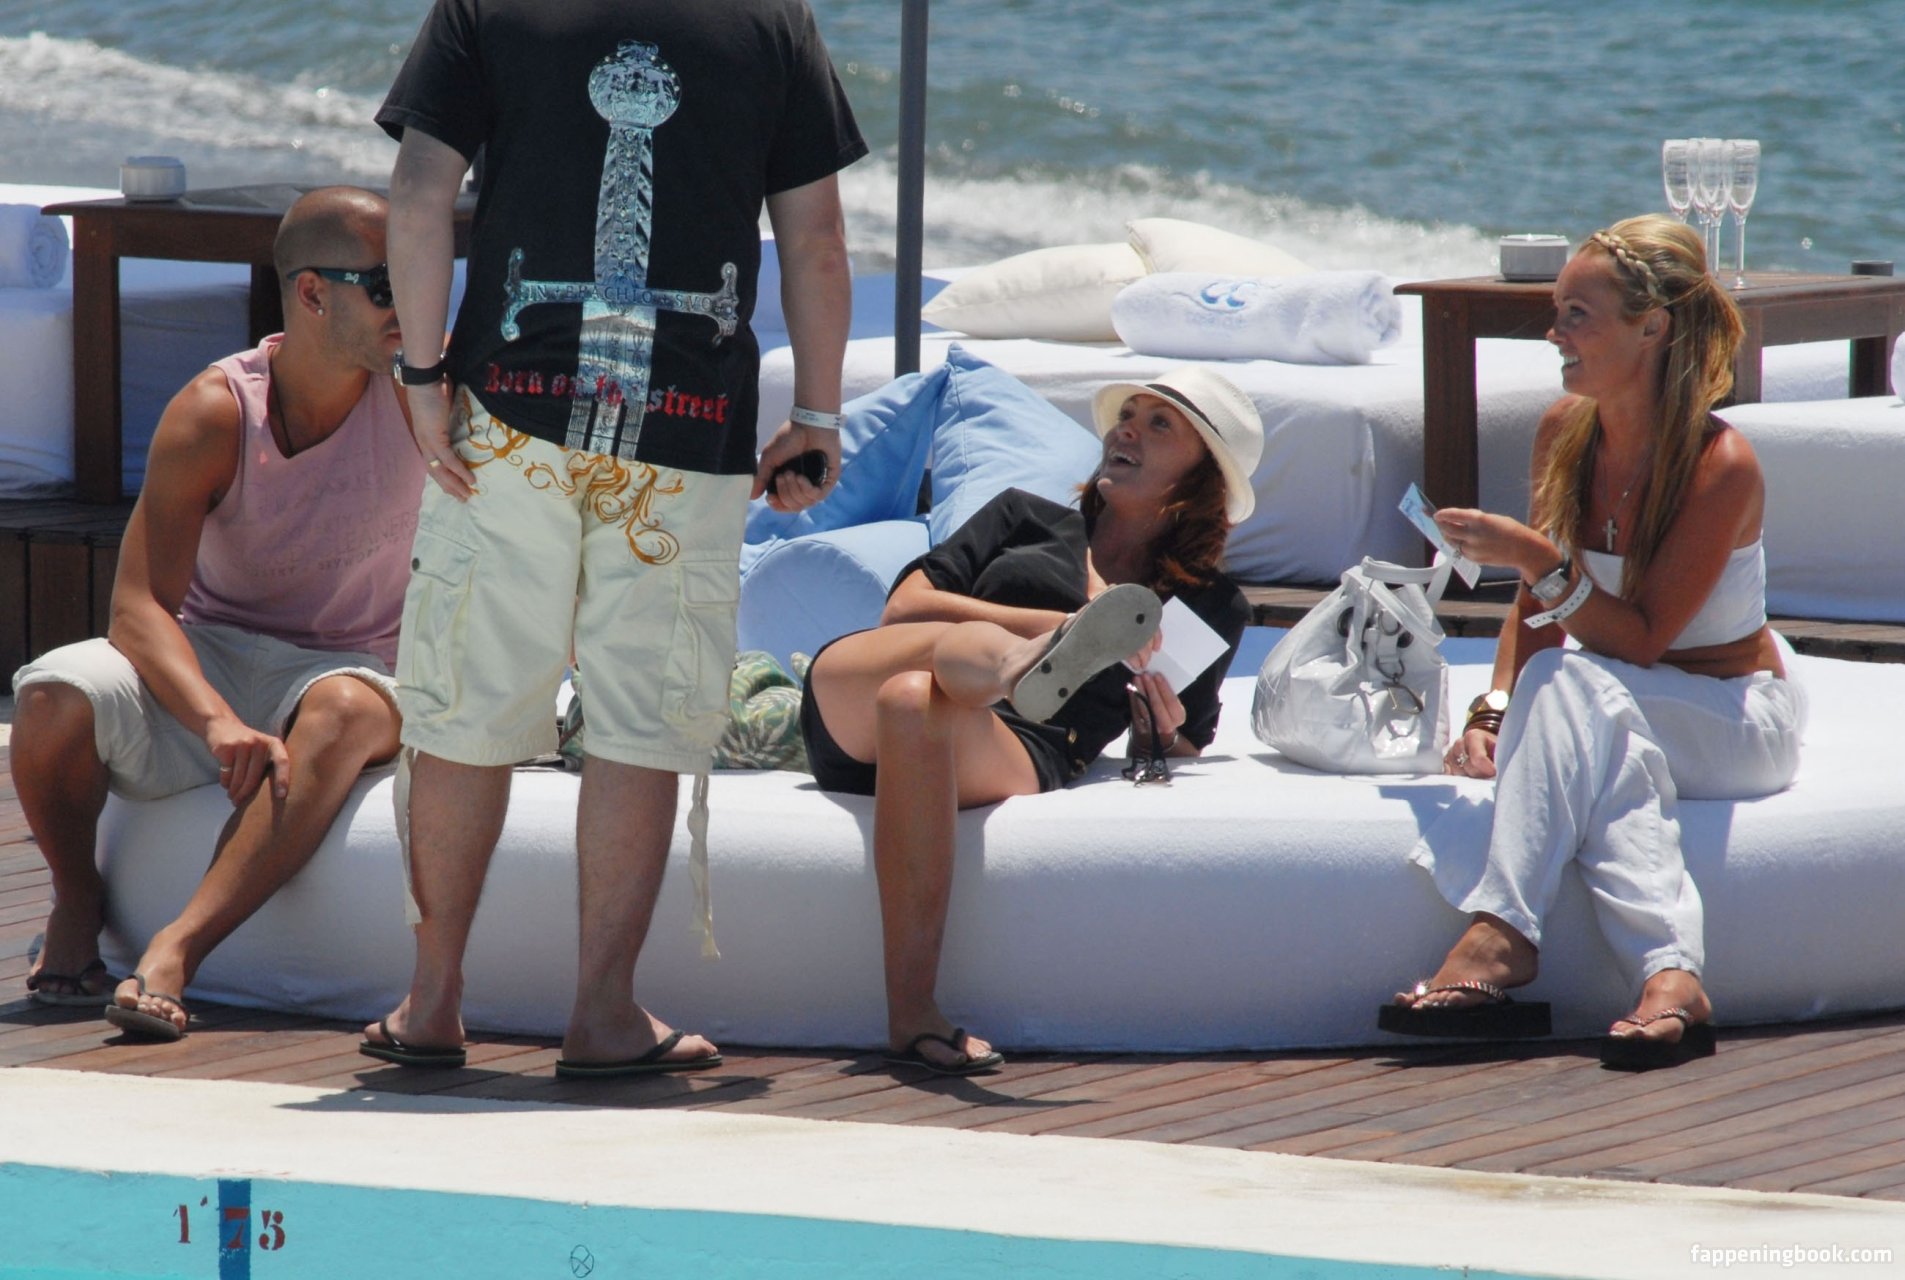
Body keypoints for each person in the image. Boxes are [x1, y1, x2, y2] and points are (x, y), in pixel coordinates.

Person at [363, 0, 865, 1075]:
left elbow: (418, 192)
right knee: (640, 722)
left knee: (468, 703)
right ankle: (600, 1013)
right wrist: (818, 416)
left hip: (504, 420)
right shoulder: (770, 22)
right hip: (688, 428)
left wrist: (421, 375)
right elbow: (816, 241)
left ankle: (433, 998)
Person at [1380, 215, 1806, 1070]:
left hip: (1731, 718)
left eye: (1576, 315)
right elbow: (1541, 615)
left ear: (1651, 328)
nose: (1554, 334)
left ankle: (1502, 930)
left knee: (1573, 687)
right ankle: (1670, 977)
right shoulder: (1564, 432)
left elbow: (1641, 640)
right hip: (1614, 704)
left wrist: (1534, 558)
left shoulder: (1719, 465)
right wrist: (1496, 708)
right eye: (1557, 314)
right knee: (1590, 723)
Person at [10, 187, 422, 1038]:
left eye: (423, 279)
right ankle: (78, 899)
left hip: (354, 666)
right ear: (312, 293)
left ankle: (177, 949)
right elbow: (137, 608)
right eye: (388, 284)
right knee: (50, 696)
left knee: (344, 711)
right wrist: (215, 720)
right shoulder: (216, 410)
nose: (413, 305)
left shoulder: (427, 387)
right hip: (217, 651)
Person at [800, 367, 1261, 1075]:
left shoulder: (1209, 603)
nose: (1127, 429)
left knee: (914, 699)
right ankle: (1022, 658)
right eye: (1127, 415)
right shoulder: (1023, 517)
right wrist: (1057, 627)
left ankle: (913, 1014)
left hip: (1010, 741)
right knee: (943, 654)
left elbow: (1187, 739)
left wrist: (1159, 729)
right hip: (858, 705)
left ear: (1200, 476)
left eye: (1158, 424)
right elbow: (903, 610)